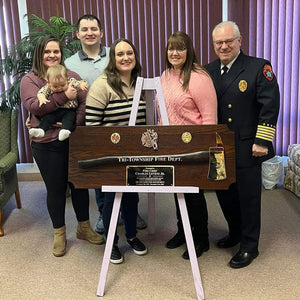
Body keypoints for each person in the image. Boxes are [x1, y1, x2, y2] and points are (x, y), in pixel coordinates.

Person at [20, 35, 104, 257]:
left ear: (61, 54)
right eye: (47, 52)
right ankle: (59, 233)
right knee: (56, 189)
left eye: (56, 51)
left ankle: (84, 227)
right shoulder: (30, 80)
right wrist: (64, 96)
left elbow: (85, 102)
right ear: (40, 54)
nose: (52, 55)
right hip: (46, 144)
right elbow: (35, 106)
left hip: (73, 140)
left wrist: (74, 122)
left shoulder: (72, 76)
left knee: (80, 186)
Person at [205, 21, 280, 268]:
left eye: (229, 41)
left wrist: (262, 141)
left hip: (248, 145)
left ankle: (249, 246)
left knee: (248, 198)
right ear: (214, 45)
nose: (224, 46)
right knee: (224, 194)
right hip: (218, 146)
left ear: (240, 40)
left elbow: (269, 106)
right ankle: (235, 232)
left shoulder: (259, 67)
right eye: (219, 42)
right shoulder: (207, 71)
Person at [65, 14, 147, 233]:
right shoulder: (69, 64)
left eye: (94, 28)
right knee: (103, 179)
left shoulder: (115, 52)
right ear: (78, 33)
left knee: (131, 177)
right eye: (85, 29)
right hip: (93, 127)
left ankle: (130, 213)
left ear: (102, 32)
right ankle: (105, 214)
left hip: (128, 133)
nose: (90, 32)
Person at [85, 38, 148, 264]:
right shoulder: (102, 85)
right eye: (120, 54)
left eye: (129, 53)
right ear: (113, 59)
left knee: (132, 198)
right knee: (112, 198)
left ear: (135, 56)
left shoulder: (141, 84)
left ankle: (131, 236)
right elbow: (92, 126)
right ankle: (111, 241)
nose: (125, 58)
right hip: (110, 156)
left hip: (137, 154)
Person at [159, 31, 218, 259]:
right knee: (177, 191)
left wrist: (206, 150)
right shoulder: (164, 76)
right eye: (171, 48)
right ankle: (183, 231)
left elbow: (210, 118)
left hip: (194, 147)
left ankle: (201, 238)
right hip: (170, 147)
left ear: (189, 51)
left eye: (180, 48)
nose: (175, 53)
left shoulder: (199, 77)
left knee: (194, 194)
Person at [29, 64, 88, 141]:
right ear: (49, 82)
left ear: (67, 80)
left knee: (70, 118)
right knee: (47, 118)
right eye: (55, 87)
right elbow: (41, 93)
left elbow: (79, 83)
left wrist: (82, 85)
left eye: (62, 85)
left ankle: (64, 131)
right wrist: (42, 98)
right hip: (55, 110)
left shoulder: (71, 82)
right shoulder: (48, 87)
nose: (59, 88)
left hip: (69, 110)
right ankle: (41, 130)